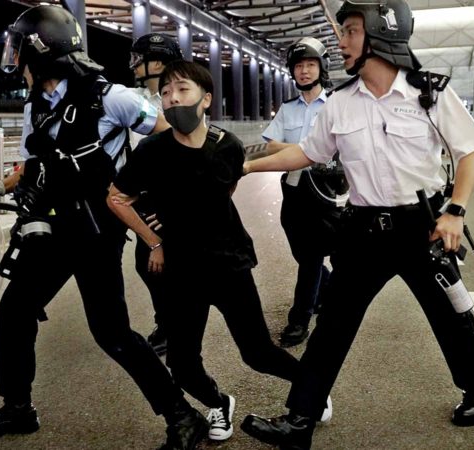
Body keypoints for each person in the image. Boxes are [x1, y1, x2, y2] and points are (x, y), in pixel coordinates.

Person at [239, 1, 474, 448]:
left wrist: (455, 209)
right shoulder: (339, 103)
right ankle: (299, 421)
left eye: (351, 31)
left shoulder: (429, 93)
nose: (341, 42)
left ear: (380, 34)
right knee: (333, 325)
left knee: (451, 315)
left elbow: (471, 150)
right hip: (362, 230)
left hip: (424, 227)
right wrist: (242, 167)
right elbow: (306, 153)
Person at [0, 6, 209, 449]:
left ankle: (182, 415)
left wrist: (143, 191)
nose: (14, 60)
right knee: (15, 311)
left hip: (97, 232)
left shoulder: (110, 96)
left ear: (42, 52)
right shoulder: (36, 105)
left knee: (111, 332)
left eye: (19, 51)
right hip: (52, 228)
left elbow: (170, 132)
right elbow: (33, 162)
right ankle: (17, 407)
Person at [107, 60, 332, 444]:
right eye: (166, 93)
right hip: (180, 269)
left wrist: (189, 212)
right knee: (183, 364)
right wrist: (154, 240)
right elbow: (117, 198)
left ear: (206, 98)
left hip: (229, 264)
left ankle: (311, 392)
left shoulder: (227, 145)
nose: (173, 99)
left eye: (183, 91)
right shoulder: (150, 150)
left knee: (258, 352)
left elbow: (220, 193)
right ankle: (218, 402)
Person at [262, 37, 346, 347]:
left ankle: (300, 319)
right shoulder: (287, 108)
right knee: (302, 253)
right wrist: (310, 150)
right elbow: (271, 145)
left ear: (321, 68)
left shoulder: (338, 103)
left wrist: (304, 151)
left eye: (310, 65)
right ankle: (323, 293)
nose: (304, 71)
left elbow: (341, 146)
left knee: (313, 257)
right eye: (299, 66)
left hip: (328, 191)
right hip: (294, 188)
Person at [127, 33, 184, 355]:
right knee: (147, 263)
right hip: (142, 195)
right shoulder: (136, 98)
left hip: (168, 195)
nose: (134, 64)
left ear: (158, 62)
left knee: (159, 263)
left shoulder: (174, 99)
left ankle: (174, 327)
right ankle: (170, 322)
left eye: (140, 58)